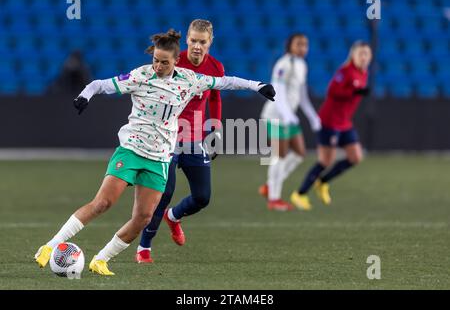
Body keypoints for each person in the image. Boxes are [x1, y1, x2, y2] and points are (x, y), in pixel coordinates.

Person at [34, 29, 275, 276]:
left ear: (175, 61)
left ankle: (101, 260)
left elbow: (226, 82)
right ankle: (48, 247)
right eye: (155, 60)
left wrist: (258, 86)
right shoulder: (140, 76)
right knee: (102, 203)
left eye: (164, 62)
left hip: (159, 158)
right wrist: (86, 95)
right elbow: (100, 84)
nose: (158, 66)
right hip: (131, 150)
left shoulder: (190, 80)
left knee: (143, 218)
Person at [136, 19, 224, 263]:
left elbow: (215, 98)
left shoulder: (216, 67)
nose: (197, 46)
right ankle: (144, 247)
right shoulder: (174, 61)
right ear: (186, 40)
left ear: (210, 42)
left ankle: (173, 216)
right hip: (169, 137)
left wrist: (215, 129)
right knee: (164, 191)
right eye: (193, 40)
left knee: (202, 197)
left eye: (202, 42)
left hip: (195, 138)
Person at [290, 41, 372, 210]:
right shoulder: (345, 72)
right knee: (326, 161)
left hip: (344, 123)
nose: (364, 57)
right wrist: (354, 92)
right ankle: (299, 194)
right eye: (360, 54)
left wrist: (356, 92)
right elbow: (333, 91)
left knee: (355, 157)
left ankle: (322, 182)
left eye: (366, 54)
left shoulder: (364, 73)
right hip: (329, 121)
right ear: (353, 56)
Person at [259, 33, 321, 211]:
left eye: (305, 44)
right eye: (299, 44)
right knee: (280, 155)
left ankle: (271, 186)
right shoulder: (283, 64)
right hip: (275, 115)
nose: (303, 48)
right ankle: (274, 199)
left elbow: (302, 95)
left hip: (288, 117)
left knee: (300, 153)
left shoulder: (302, 65)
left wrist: (312, 116)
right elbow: (275, 92)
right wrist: (287, 115)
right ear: (290, 45)